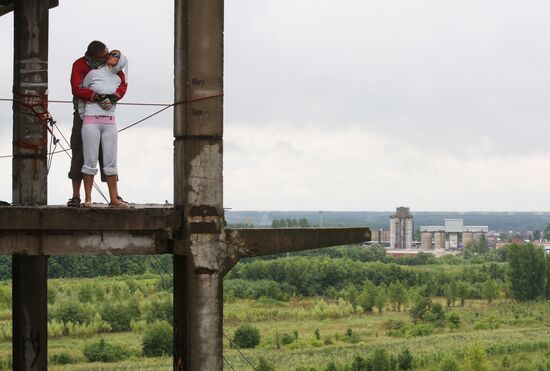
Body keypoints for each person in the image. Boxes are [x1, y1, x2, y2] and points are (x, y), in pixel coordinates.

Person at [68, 40, 127, 207]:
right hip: (83, 114)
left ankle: (114, 195)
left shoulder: (111, 68)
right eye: (104, 55)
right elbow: (76, 88)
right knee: (79, 151)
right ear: (94, 56)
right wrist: (96, 96)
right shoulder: (80, 65)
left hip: (105, 115)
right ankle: (77, 195)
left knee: (109, 154)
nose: (108, 57)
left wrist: (114, 97)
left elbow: (122, 83)